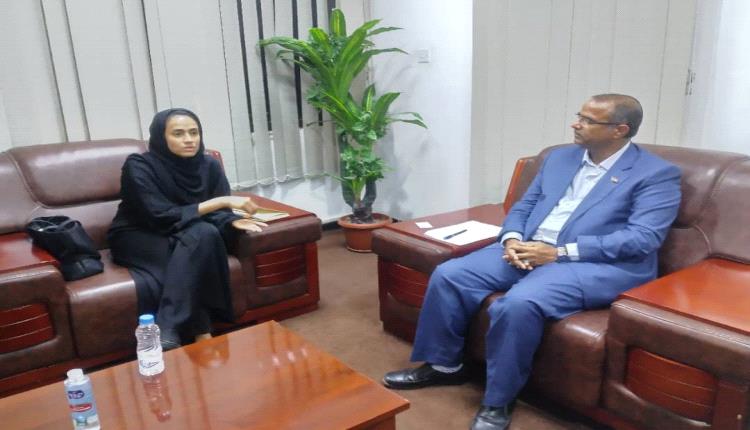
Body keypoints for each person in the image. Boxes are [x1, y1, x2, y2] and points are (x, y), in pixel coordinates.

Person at [382, 94, 682, 430]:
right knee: (451, 274)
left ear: (620, 130)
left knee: (518, 304)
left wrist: (559, 252)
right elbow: (524, 206)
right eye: (579, 115)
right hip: (529, 247)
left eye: (588, 120)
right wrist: (511, 238)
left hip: (592, 263)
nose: (576, 124)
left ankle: (498, 400)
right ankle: (445, 366)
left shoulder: (656, 174)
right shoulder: (560, 157)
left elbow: (643, 238)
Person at [108, 108, 266, 350]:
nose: (189, 139)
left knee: (205, 234)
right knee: (192, 256)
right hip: (139, 234)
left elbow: (217, 215)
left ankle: (167, 327)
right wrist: (221, 202)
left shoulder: (209, 165)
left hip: (188, 233)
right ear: (161, 137)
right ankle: (202, 331)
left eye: (194, 132)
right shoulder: (139, 165)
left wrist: (230, 221)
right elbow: (158, 215)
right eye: (178, 133)